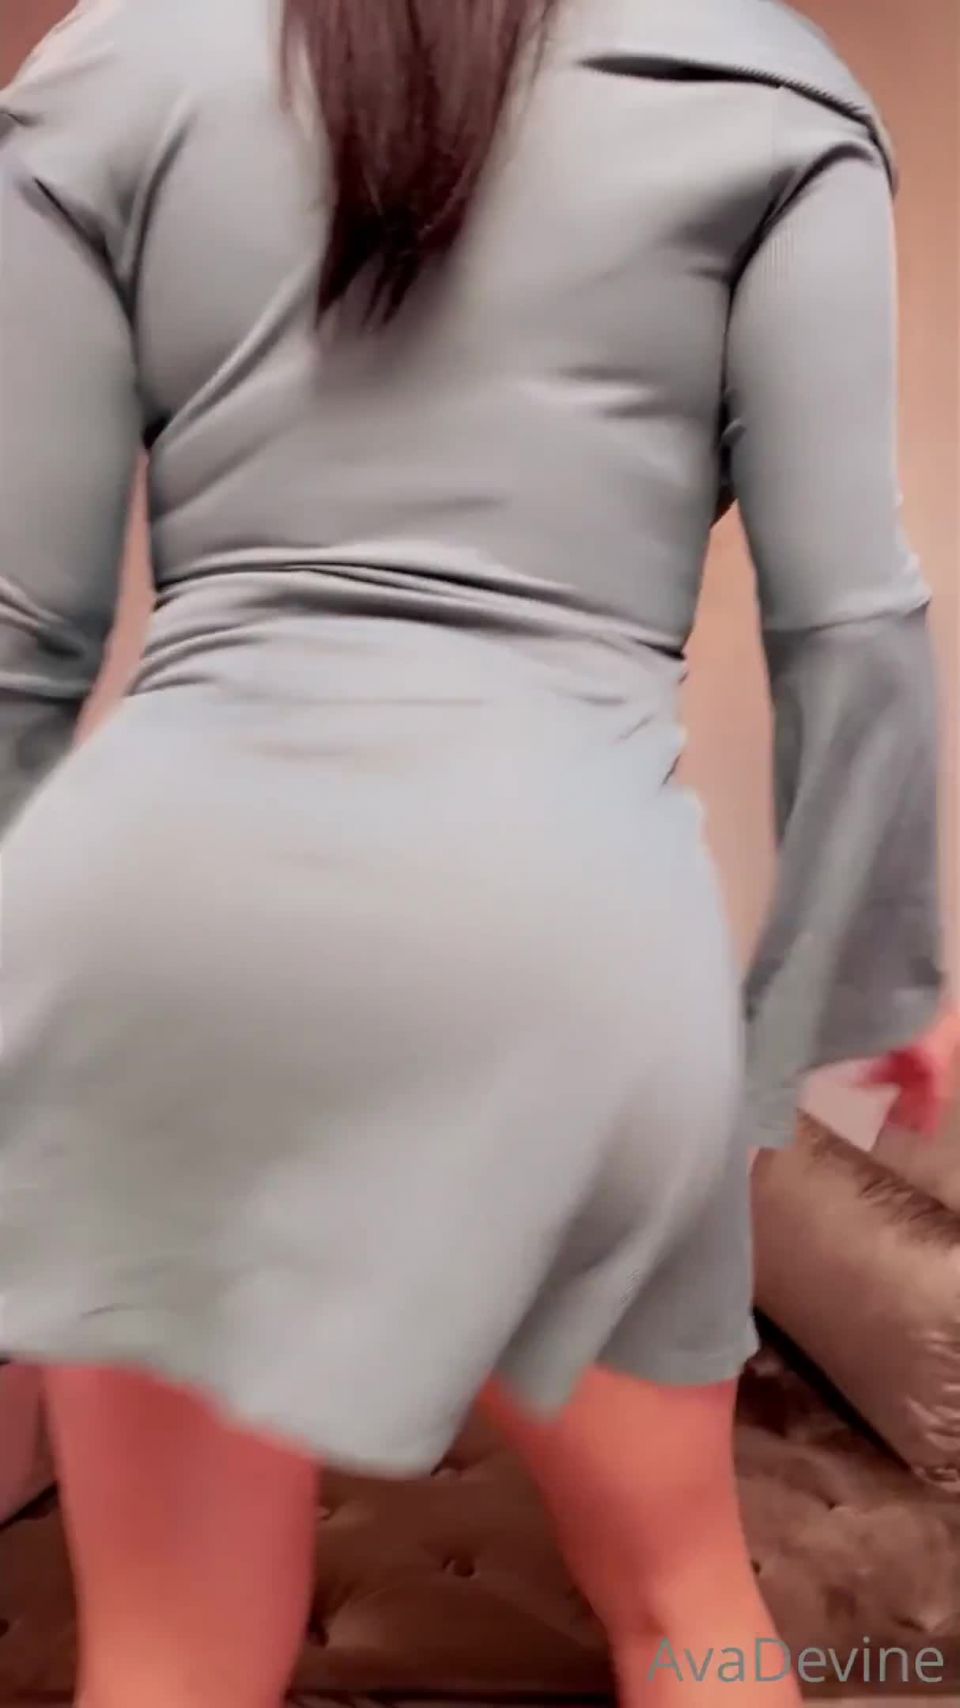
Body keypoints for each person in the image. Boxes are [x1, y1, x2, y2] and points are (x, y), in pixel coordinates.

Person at [0, 1, 955, 1704]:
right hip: (565, 919)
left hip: (160, 914)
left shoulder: (111, 61)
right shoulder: (766, 84)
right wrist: (876, 971)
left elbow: (22, 626)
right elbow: (849, 616)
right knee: (688, 1608)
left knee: (167, 1659)